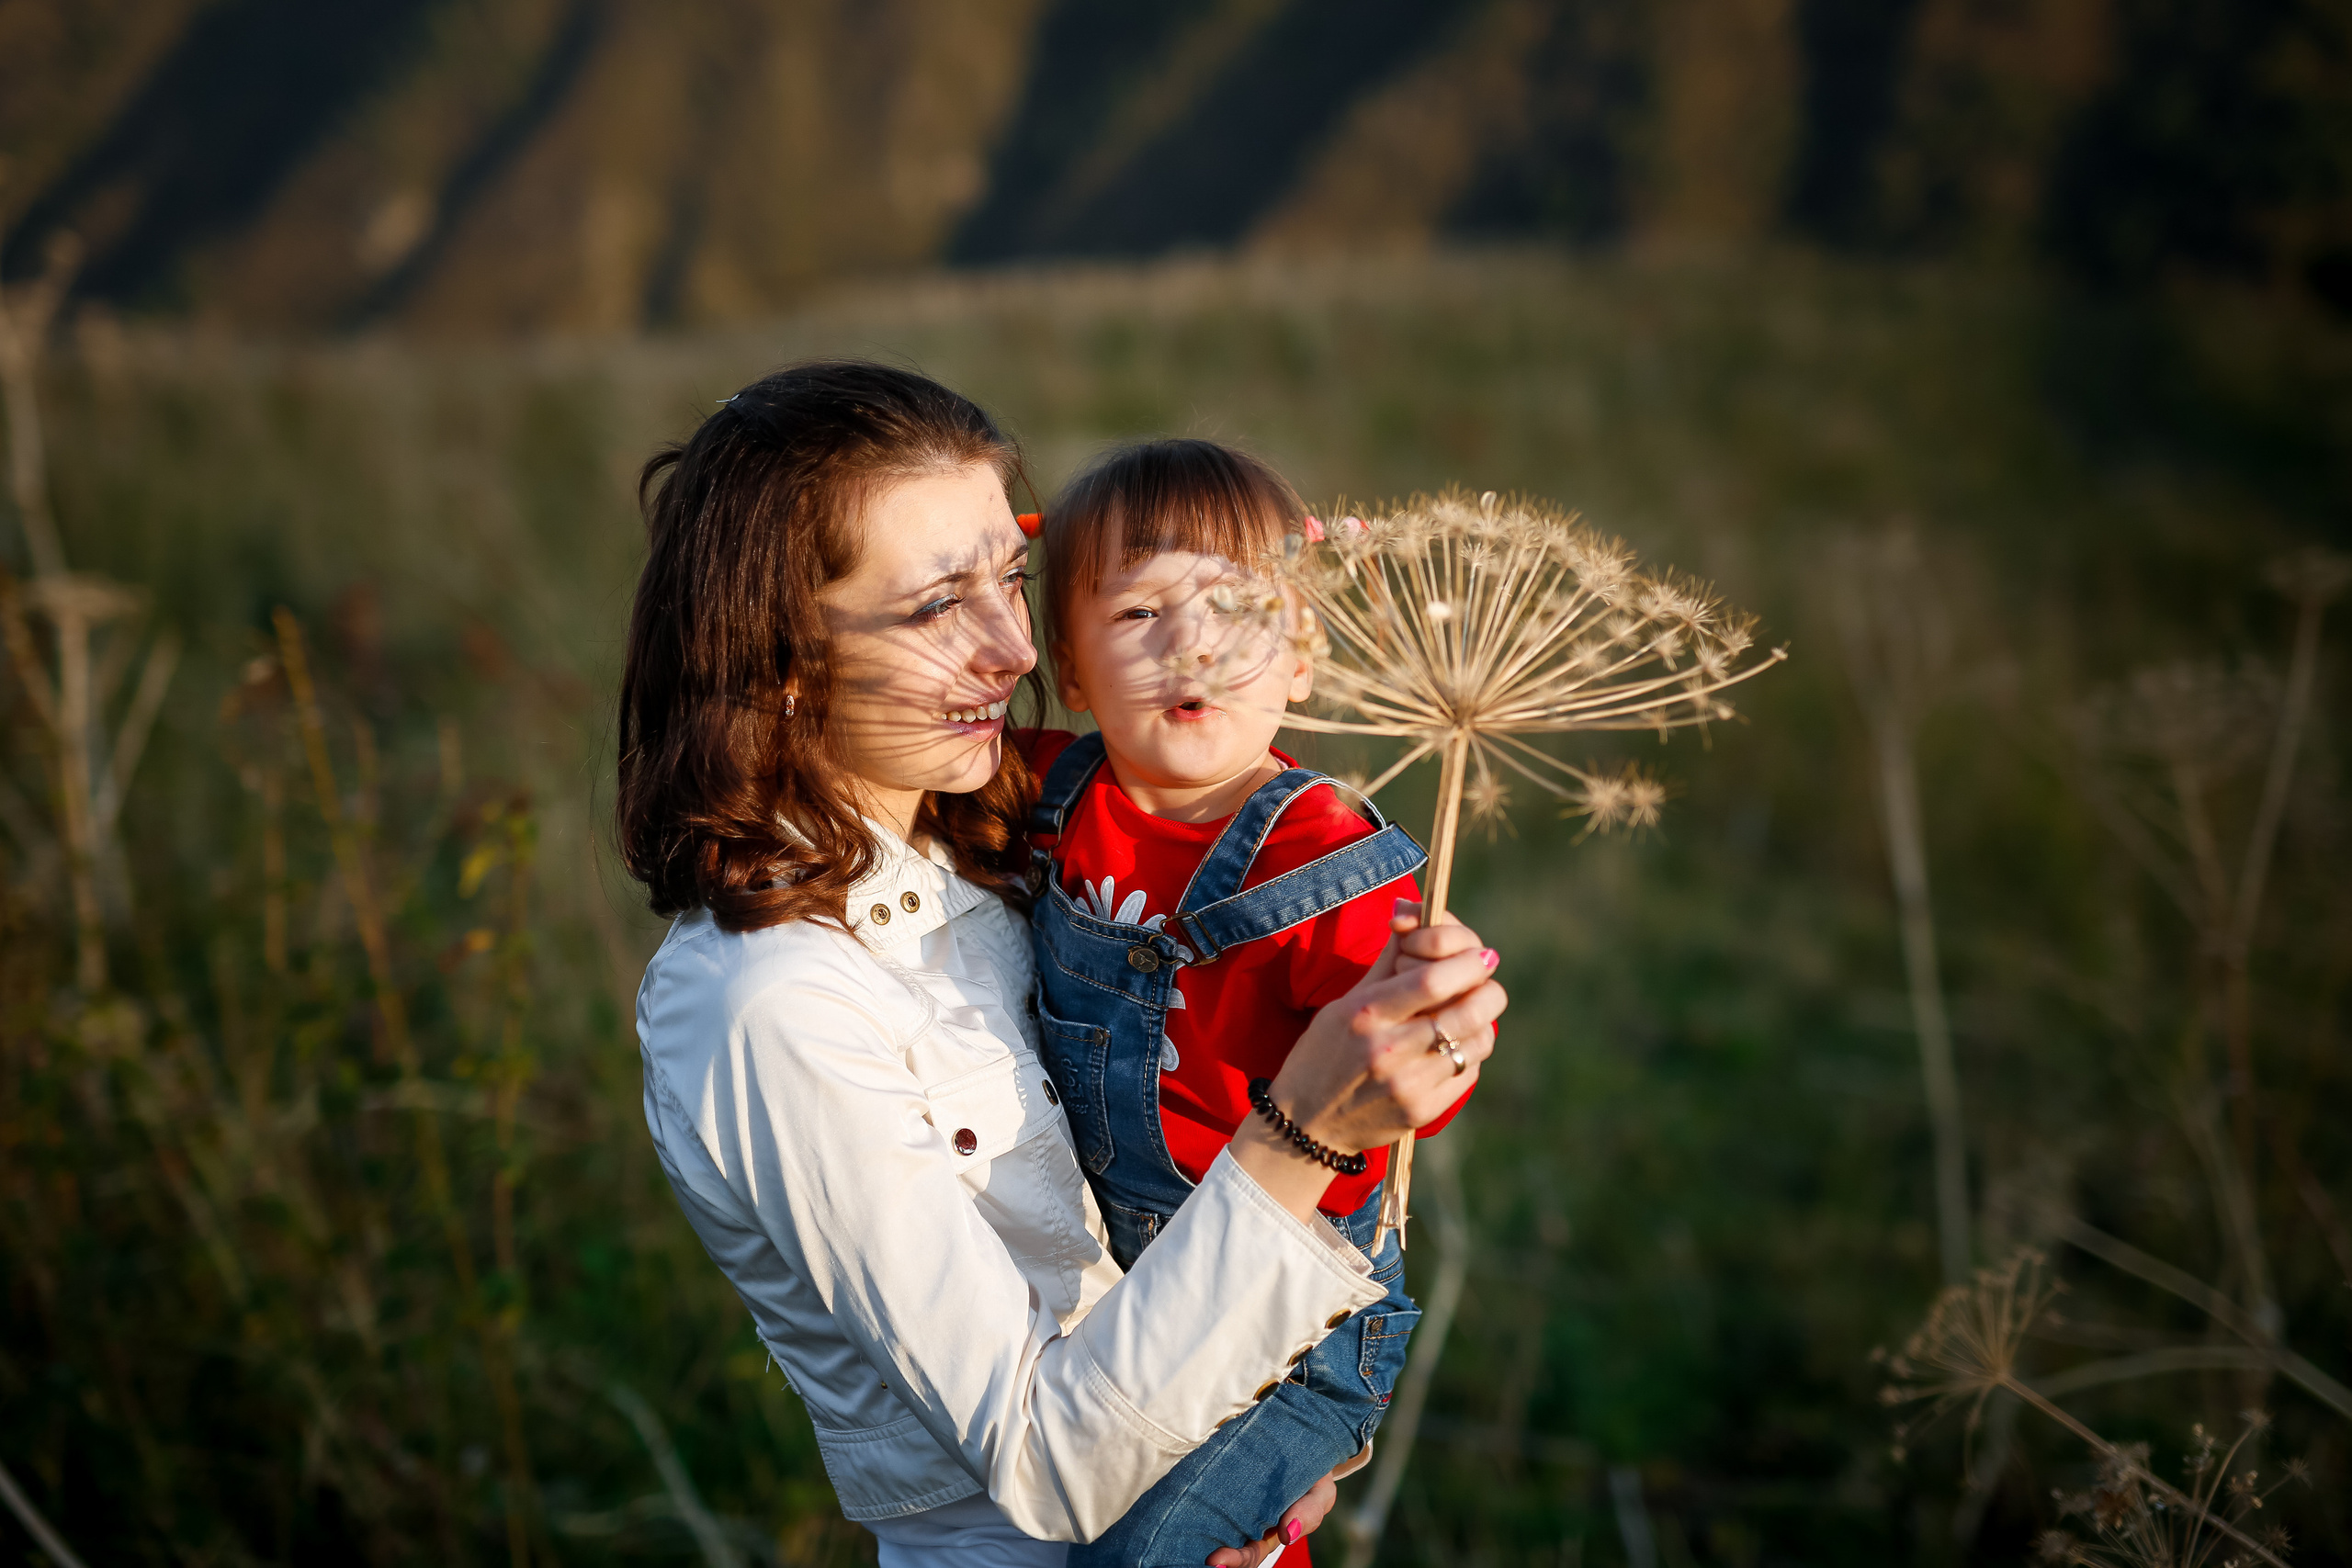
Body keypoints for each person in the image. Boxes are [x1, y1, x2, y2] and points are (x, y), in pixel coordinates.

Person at [616, 361, 1507, 1566]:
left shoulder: (1002, 846)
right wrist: (1304, 1131)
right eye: (940, 603)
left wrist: (1279, 1452)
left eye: (1010, 580)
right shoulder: (769, 999)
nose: (1012, 645)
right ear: (781, 654)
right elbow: (1047, 1461)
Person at [1023, 440, 1476, 1565]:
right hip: (1124, 1292)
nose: (1192, 644)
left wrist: (1427, 1025)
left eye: (1236, 607)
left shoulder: (1327, 860)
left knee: (1138, 1551)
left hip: (1296, 1317)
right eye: (1135, 613)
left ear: (1305, 653)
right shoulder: (1047, 791)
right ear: (1068, 671)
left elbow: (1400, 1088)